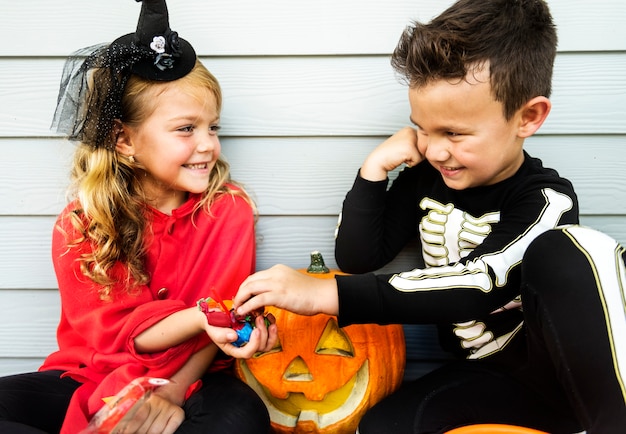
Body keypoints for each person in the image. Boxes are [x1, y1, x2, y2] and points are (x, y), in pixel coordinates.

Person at [233, 0, 625, 432]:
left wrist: (325, 296)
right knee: (382, 427)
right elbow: (359, 257)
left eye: (454, 133)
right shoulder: (428, 178)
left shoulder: (548, 200)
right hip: (487, 379)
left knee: (572, 248)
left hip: (568, 385)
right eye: (423, 128)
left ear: (528, 117)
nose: (436, 150)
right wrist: (374, 171)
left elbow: (480, 284)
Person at [0, 1, 275, 433]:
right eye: (187, 129)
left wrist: (172, 389)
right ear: (125, 140)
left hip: (193, 374)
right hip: (91, 372)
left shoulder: (227, 209)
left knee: (241, 419)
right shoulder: (81, 223)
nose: (207, 145)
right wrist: (203, 315)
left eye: (213, 127)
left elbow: (216, 325)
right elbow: (122, 335)